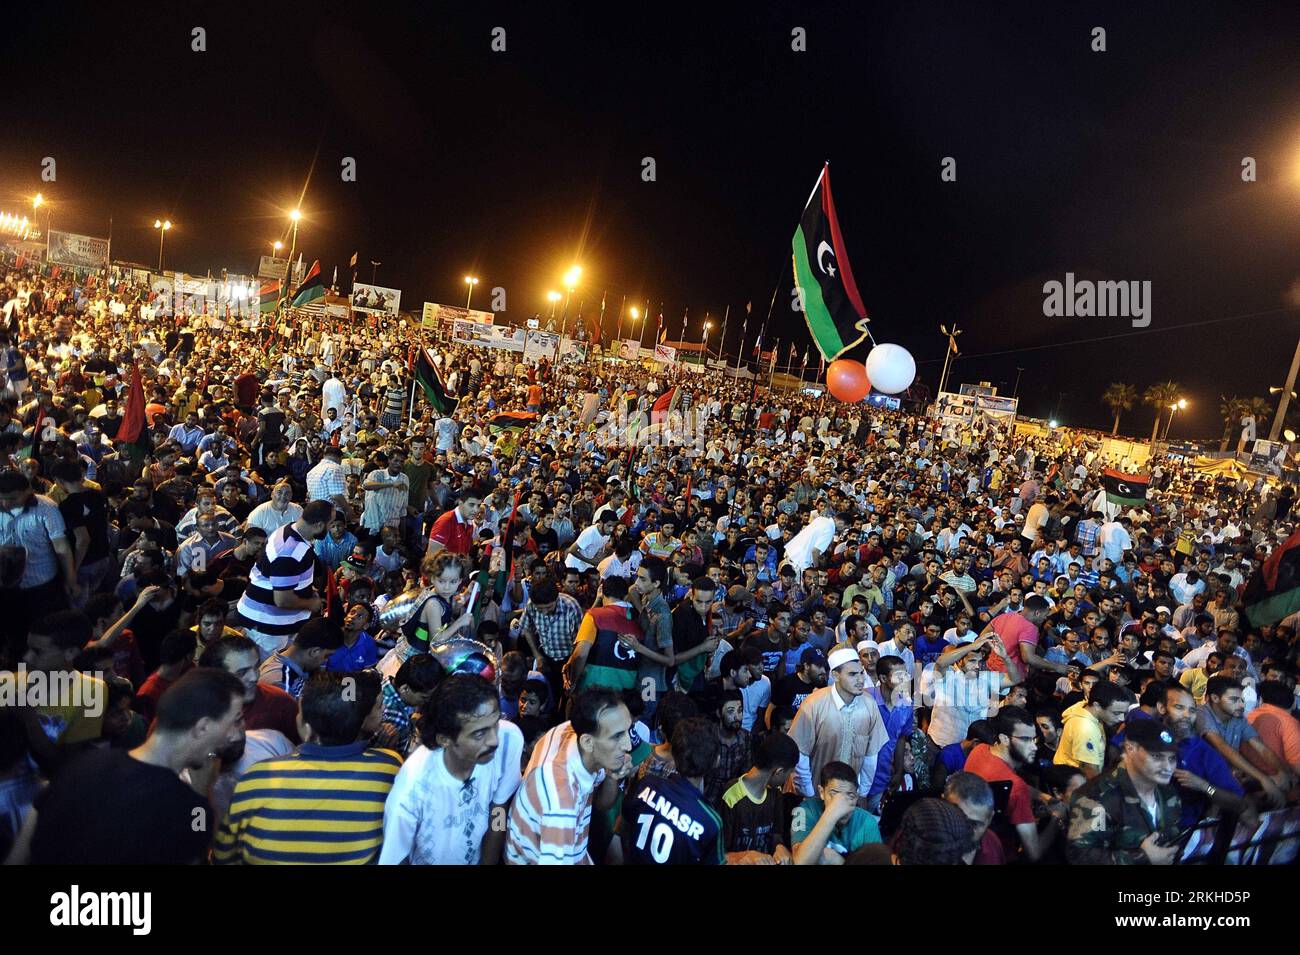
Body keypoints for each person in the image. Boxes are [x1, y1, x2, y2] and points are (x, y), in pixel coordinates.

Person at [8, 668, 246, 865]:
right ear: (202, 727)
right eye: (235, 721)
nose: (237, 734)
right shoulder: (191, 811)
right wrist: (202, 794)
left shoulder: (81, 767)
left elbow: (21, 850)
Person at [214, 670, 400, 864]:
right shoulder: (389, 767)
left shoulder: (257, 777)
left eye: (299, 712)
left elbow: (224, 855)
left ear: (309, 731)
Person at [380, 674, 523, 865]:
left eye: (495, 724)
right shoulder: (412, 787)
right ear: (445, 739)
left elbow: (498, 809)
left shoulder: (509, 740)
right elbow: (397, 857)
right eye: (479, 734)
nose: (493, 740)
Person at [505, 687, 634, 865]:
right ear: (587, 742)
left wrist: (613, 776)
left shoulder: (573, 731)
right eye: (617, 736)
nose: (627, 745)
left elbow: (600, 804)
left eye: (628, 730)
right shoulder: (560, 801)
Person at [1065, 718, 1182, 865]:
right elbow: (1080, 857)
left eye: (1172, 758)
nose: (1168, 767)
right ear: (1130, 748)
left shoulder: (1168, 792)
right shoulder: (1097, 797)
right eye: (1157, 756)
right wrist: (1142, 857)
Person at [617, 716, 725, 865]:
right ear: (716, 761)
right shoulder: (711, 822)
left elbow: (620, 832)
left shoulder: (645, 784)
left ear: (673, 752)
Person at [235, 499, 333, 661]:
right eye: (330, 524)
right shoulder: (290, 551)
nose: (330, 529)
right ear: (319, 525)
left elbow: (288, 578)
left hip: (276, 622)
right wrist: (311, 604)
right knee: (268, 669)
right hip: (267, 625)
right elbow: (282, 600)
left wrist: (307, 589)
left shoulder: (289, 529)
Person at [787, 647, 888, 800]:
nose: (860, 679)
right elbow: (800, 754)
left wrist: (861, 793)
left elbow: (871, 755)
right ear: (836, 675)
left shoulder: (869, 704)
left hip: (849, 796)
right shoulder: (814, 703)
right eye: (852, 674)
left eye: (861, 673)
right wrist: (809, 793)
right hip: (815, 793)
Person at [964, 705, 1061, 861]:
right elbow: (1034, 853)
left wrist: (1043, 797)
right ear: (1004, 739)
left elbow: (1005, 781)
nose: (1034, 746)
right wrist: (1057, 817)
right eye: (1025, 739)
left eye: (1034, 739)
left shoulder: (980, 750)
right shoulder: (1017, 788)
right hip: (1001, 856)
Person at [0, 469, 78, 661]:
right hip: (6, 586)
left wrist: (70, 579)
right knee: (13, 633)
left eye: (12, 498)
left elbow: (61, 547)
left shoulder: (46, 508)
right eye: (1, 498)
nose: (5, 503)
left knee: (43, 633)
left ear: (27, 491)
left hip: (41, 586)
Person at [1196, 675, 1290, 808]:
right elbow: (1222, 747)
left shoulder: (1238, 718)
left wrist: (1280, 771)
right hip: (1203, 783)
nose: (1241, 704)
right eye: (1234, 699)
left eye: (1241, 699)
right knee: (1247, 807)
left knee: (1283, 782)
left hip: (1230, 777)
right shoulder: (1202, 714)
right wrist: (1264, 780)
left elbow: (1261, 747)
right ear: (1215, 698)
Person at [718, 733, 797, 863]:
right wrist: (746, 856)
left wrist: (780, 847)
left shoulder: (775, 792)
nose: (788, 778)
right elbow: (718, 853)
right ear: (779, 772)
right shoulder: (731, 796)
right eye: (789, 773)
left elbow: (776, 834)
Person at [791, 760, 883, 864]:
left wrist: (840, 862)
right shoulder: (805, 809)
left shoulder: (867, 822)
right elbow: (800, 862)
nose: (841, 805)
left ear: (856, 797)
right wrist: (831, 815)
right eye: (834, 794)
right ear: (822, 792)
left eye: (850, 795)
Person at [1055, 679, 1134, 779]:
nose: (1122, 718)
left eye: (1123, 713)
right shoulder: (1086, 729)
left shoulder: (1084, 706)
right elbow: (1090, 770)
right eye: (1116, 713)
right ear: (1097, 706)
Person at [259, 617, 346, 700]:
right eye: (326, 656)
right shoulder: (285, 685)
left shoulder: (284, 657)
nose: (325, 661)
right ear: (315, 652)